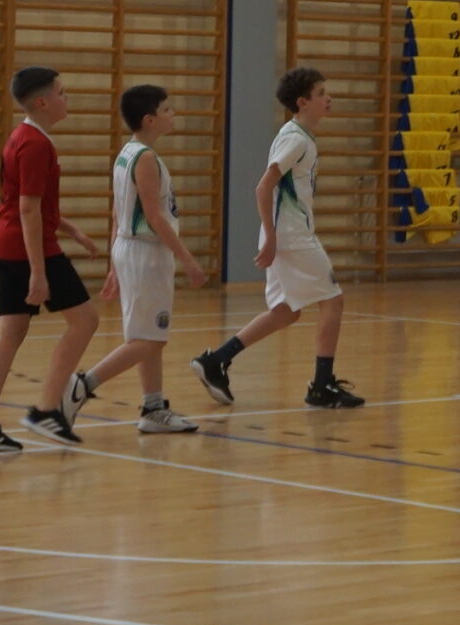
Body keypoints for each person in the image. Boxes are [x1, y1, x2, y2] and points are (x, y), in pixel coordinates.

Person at [189, 67, 363, 408]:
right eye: (321, 93)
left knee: (285, 311)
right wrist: (270, 237)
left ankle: (216, 360)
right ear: (302, 102)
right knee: (333, 301)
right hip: (292, 237)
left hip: (287, 235)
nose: (329, 98)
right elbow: (263, 186)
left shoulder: (298, 135)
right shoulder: (295, 139)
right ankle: (321, 386)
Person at [0, 66, 104, 450]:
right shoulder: (36, 144)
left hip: (7, 244)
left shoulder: (23, 137)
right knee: (85, 320)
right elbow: (27, 209)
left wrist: (70, 229)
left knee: (9, 333)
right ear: (42, 102)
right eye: (62, 92)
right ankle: (46, 410)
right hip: (27, 249)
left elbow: (27, 204)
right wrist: (38, 273)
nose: (67, 98)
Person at [62, 84, 208, 434]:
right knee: (150, 339)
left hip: (130, 250)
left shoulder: (127, 152)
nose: (173, 114)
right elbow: (154, 217)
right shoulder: (145, 158)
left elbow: (118, 212)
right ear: (149, 119)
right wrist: (188, 259)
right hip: (146, 253)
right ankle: (83, 384)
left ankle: (153, 408)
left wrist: (114, 264)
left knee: (148, 332)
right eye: (167, 109)